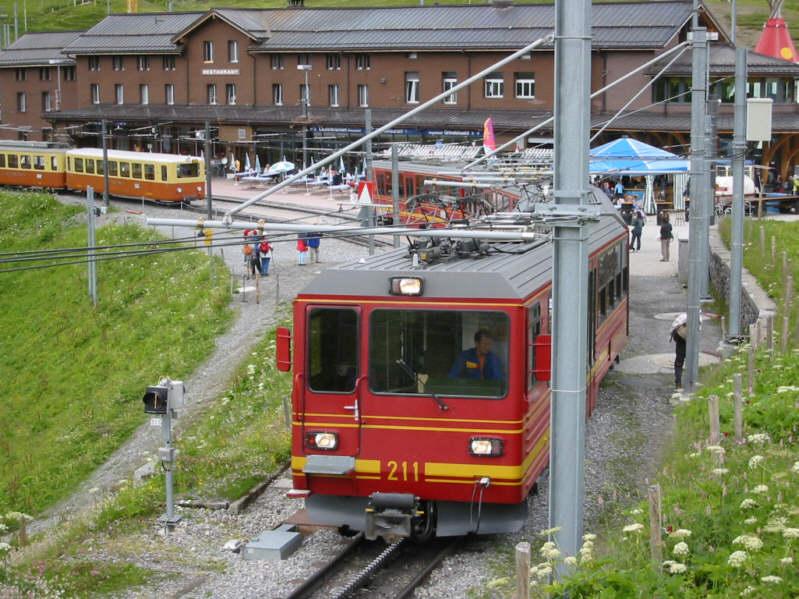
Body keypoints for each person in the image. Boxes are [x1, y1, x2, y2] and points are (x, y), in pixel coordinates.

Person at [670, 313, 688, 390]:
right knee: (690, 360)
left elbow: (673, 330)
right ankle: (690, 382)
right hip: (686, 338)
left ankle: (678, 384)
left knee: (679, 362)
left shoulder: (683, 317)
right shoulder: (698, 317)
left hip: (680, 337)